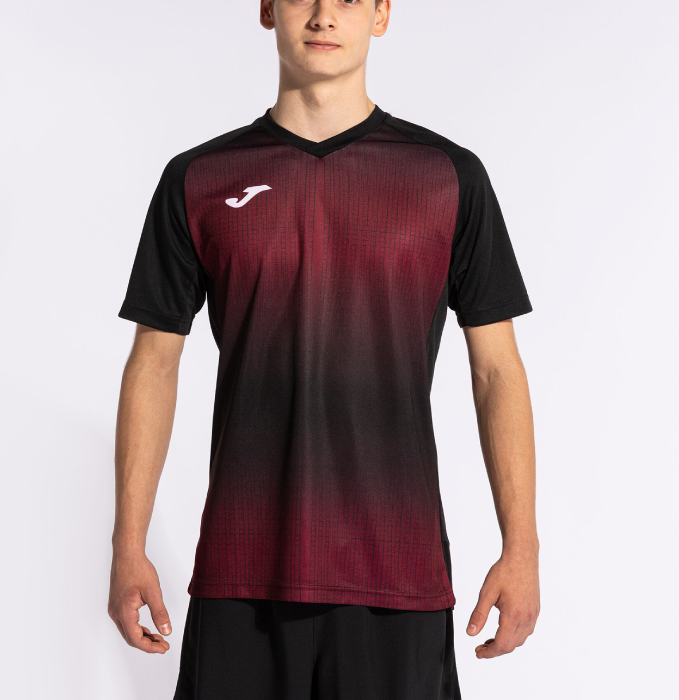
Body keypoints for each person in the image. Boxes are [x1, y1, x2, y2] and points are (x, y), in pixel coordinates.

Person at [108, 1, 540, 698]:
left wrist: (522, 548)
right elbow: (153, 363)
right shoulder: (199, 179)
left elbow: (497, 370)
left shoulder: (448, 176)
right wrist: (128, 545)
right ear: (267, 10)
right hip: (243, 569)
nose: (322, 15)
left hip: (396, 570)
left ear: (381, 15)